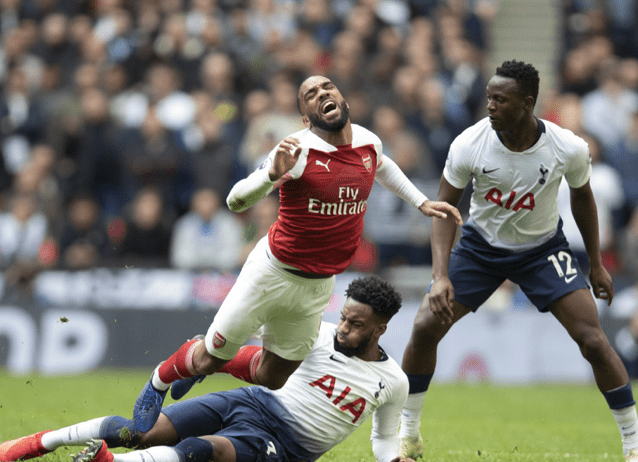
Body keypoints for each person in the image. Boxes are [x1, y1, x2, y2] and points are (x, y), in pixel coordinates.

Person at [131, 75, 462, 433]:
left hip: (317, 285)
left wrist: (421, 202)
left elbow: (382, 165)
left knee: (273, 377)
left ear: (342, 99)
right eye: (310, 95)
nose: (322, 93)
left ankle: (205, 358)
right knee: (208, 356)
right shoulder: (296, 151)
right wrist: (270, 175)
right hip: (272, 273)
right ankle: (160, 380)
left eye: (327, 88)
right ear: (306, 118)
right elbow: (235, 200)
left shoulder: (369, 142)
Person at [397, 60, 638, 462]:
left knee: (592, 340)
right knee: (426, 325)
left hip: (542, 250)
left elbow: (583, 197)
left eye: (500, 100)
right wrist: (440, 276)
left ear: (527, 103)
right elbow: (444, 210)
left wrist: (596, 264)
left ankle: (636, 446)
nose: (490, 106)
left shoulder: (567, 146)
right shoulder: (469, 143)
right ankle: (408, 434)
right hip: (480, 249)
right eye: (488, 98)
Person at [0, 276, 428, 462]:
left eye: (356, 324)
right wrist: (210, 350)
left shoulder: (394, 381)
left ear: (381, 329)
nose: (344, 328)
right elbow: (252, 342)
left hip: (285, 443)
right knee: (140, 430)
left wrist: (392, 459)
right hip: (250, 401)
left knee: (205, 449)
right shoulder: (316, 333)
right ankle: (41, 442)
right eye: (344, 317)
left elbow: (383, 437)